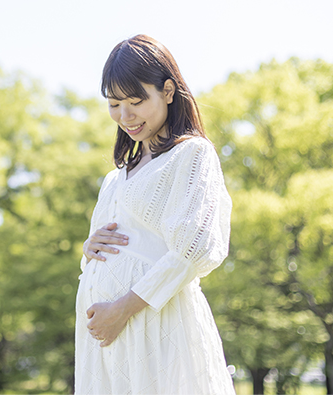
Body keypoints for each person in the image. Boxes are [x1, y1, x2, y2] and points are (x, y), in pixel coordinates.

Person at [75, 34, 236, 394]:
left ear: (167, 91)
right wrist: (88, 253)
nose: (125, 116)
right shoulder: (114, 179)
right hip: (109, 341)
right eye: (114, 104)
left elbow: (193, 250)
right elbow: (114, 251)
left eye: (136, 101)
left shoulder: (191, 155)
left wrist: (122, 308)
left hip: (155, 322)